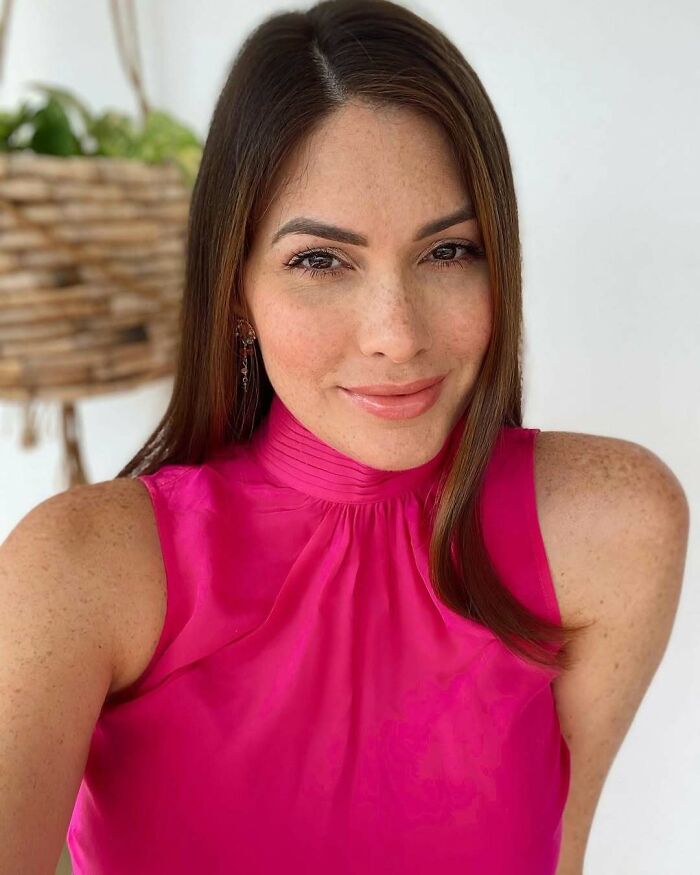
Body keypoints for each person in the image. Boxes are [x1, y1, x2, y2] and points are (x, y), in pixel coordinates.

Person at [0, 1, 689, 873]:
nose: (397, 336)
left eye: (448, 252)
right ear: (237, 294)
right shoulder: (79, 572)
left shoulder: (614, 529)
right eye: (320, 261)